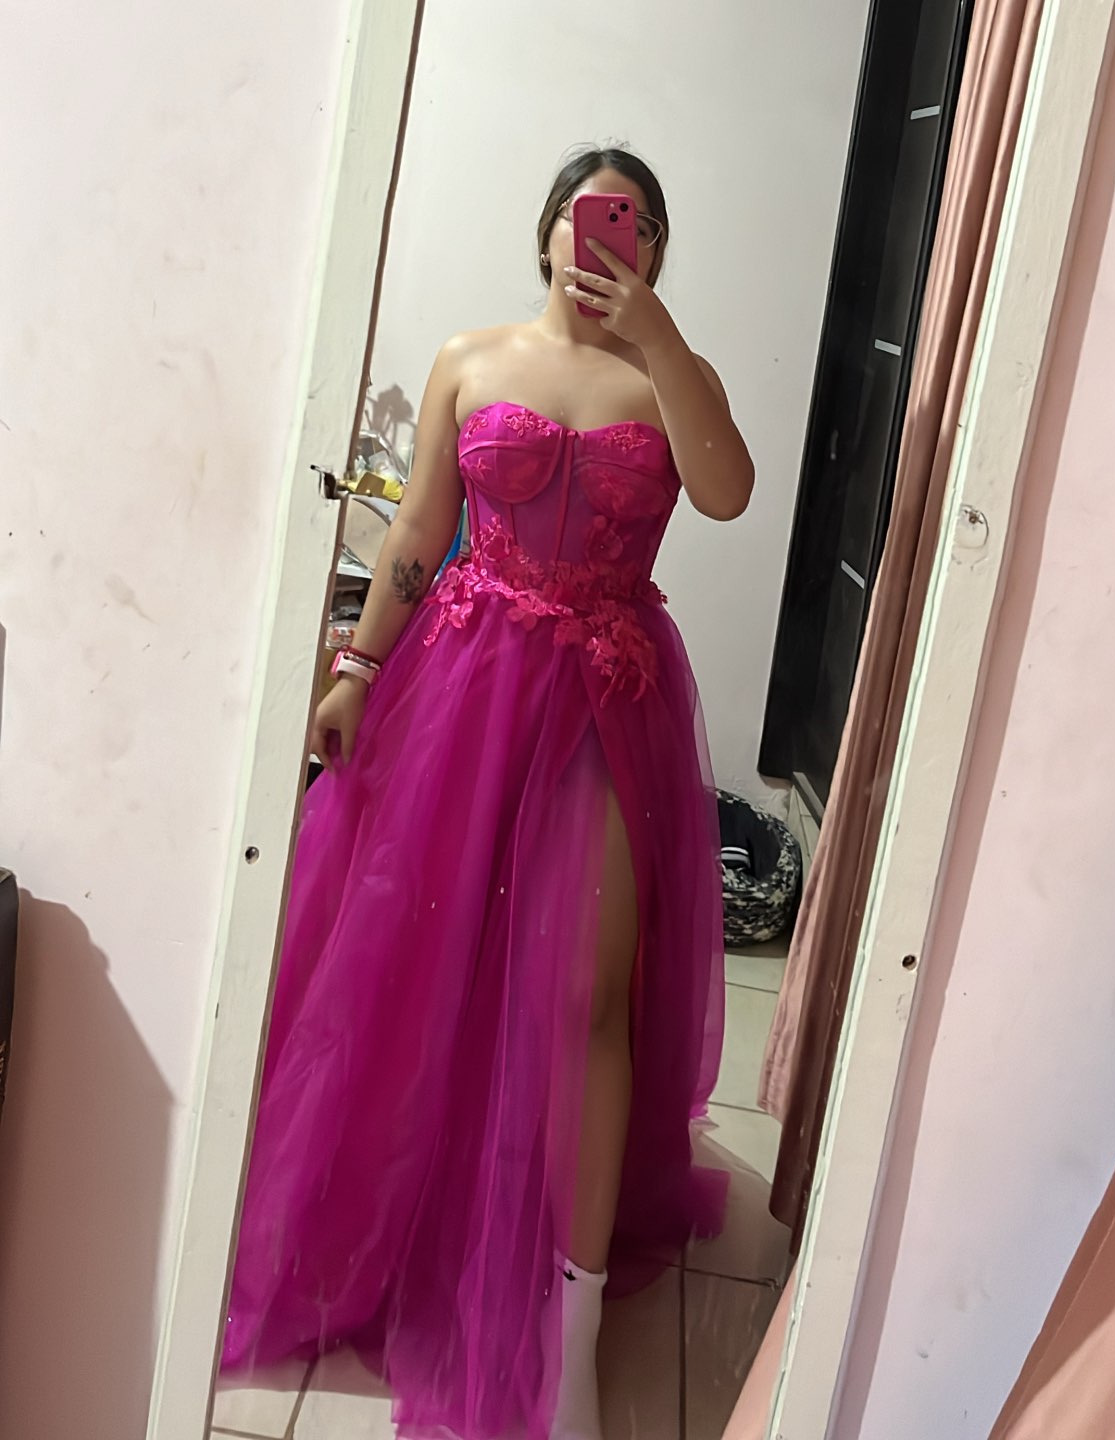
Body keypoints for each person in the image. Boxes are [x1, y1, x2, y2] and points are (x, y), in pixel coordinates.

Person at [222, 147, 755, 1440]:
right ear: (546, 233)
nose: (605, 240)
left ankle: (570, 1328)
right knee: (417, 953)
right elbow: (418, 533)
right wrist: (357, 671)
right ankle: (396, 1215)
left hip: (605, 702)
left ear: (656, 250)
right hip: (460, 683)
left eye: (634, 225)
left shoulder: (672, 378)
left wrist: (662, 338)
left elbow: (728, 493)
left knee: (584, 998)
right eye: (586, 216)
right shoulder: (470, 358)